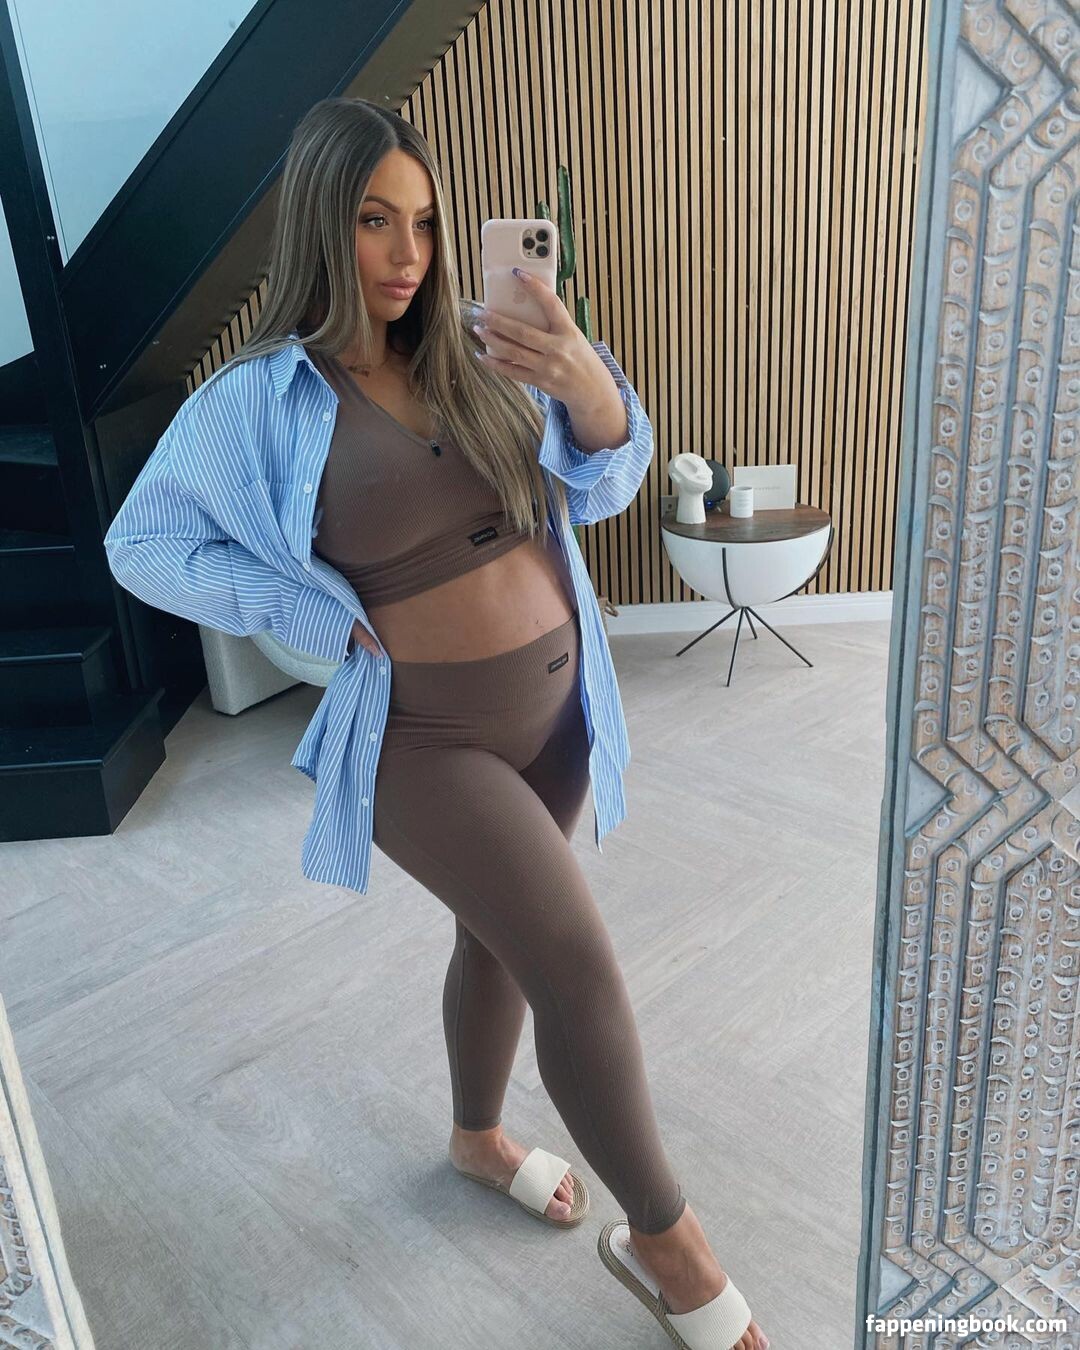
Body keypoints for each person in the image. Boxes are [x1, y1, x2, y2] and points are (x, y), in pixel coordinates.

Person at [104, 96, 766, 1350]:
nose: (407, 254)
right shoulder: (260, 398)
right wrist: (293, 601)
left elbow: (609, 481)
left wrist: (588, 385)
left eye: (422, 222)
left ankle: (476, 1139)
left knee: (497, 939)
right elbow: (141, 543)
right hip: (423, 739)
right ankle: (670, 1246)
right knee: (576, 966)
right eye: (373, 221)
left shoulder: (484, 342)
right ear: (321, 223)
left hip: (561, 712)